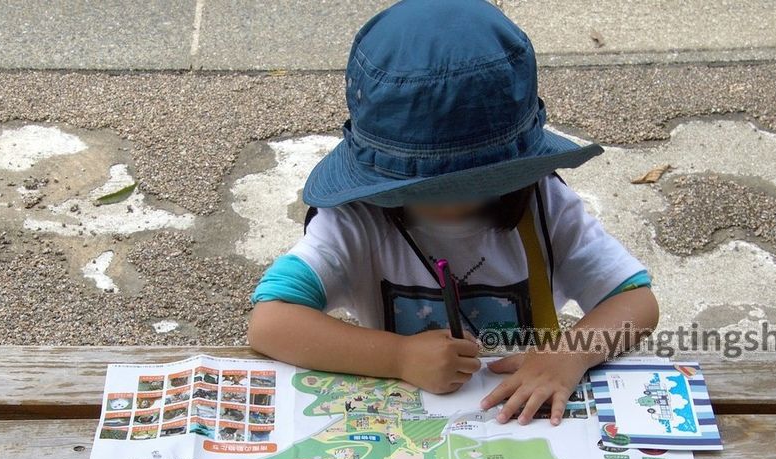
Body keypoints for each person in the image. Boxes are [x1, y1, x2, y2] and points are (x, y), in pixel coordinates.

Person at [248, 0, 658, 425]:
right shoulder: (357, 219)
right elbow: (270, 321)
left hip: (524, 422)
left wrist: (568, 356)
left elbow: (636, 302)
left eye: (468, 185)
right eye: (425, 188)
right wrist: (400, 357)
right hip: (404, 428)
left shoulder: (545, 206)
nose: (447, 202)